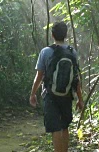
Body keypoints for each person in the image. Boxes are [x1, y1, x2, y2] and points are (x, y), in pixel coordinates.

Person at [30, 21, 84, 152]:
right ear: (65, 35)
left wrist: (32, 94)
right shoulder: (72, 52)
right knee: (65, 127)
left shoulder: (46, 52)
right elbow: (76, 78)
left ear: (52, 35)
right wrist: (80, 98)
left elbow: (39, 76)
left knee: (55, 128)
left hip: (50, 95)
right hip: (67, 95)